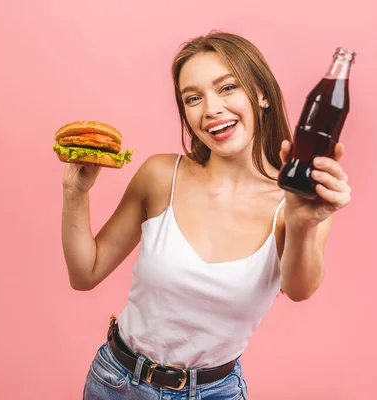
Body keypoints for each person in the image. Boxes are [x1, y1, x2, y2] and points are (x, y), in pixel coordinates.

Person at [61, 31, 352, 399]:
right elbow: (85, 273)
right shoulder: (160, 175)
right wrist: (76, 191)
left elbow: (299, 289)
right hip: (116, 383)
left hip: (214, 392)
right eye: (193, 98)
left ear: (261, 94)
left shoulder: (298, 203)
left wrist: (302, 223)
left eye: (227, 88)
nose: (211, 109)